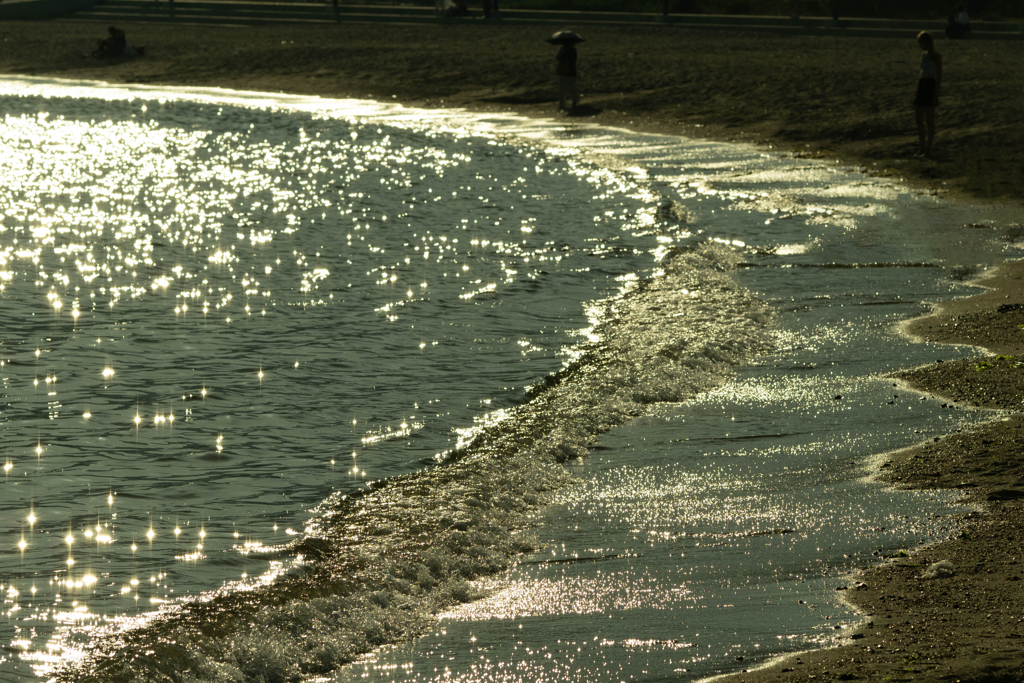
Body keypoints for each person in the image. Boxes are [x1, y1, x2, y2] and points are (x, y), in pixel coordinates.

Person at [913, 31, 942, 156]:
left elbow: (939, 76)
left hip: (930, 85)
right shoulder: (923, 55)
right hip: (922, 84)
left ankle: (928, 149)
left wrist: (936, 93)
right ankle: (922, 148)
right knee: (919, 118)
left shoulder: (936, 56)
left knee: (929, 120)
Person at [556, 42, 579, 111]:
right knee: (572, 87)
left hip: (563, 71)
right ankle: (575, 101)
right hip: (571, 71)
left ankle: (562, 105)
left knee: (562, 89)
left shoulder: (563, 49)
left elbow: (558, 58)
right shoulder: (573, 50)